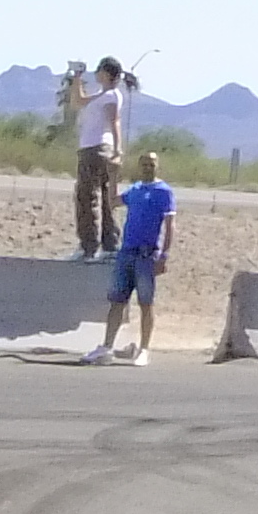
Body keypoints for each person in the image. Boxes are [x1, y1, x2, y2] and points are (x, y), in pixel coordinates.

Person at [86, 151, 175, 364]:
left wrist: (165, 255)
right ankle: (106, 346)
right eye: (144, 164)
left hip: (147, 254)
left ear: (157, 166)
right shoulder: (134, 190)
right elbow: (113, 202)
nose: (147, 167)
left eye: (151, 164)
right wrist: (113, 178)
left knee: (146, 303)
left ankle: (144, 349)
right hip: (126, 252)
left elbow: (170, 225)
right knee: (117, 302)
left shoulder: (164, 192)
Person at [73, 56, 127, 257]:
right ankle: (109, 244)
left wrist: (117, 150)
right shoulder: (102, 95)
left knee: (87, 196)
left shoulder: (112, 96)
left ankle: (89, 245)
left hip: (96, 148)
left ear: (106, 73)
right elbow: (78, 101)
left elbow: (115, 121)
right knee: (103, 196)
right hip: (96, 148)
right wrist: (77, 77)